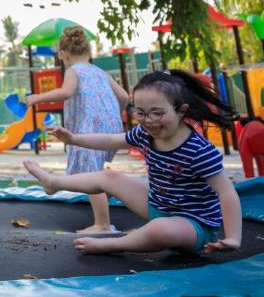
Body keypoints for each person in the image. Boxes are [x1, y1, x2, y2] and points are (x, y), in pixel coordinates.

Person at [24, 70, 242, 255]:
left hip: (193, 226)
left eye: (157, 113)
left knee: (160, 229)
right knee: (109, 176)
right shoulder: (145, 133)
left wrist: (232, 237)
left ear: (181, 110)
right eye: (141, 113)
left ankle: (112, 244)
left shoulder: (198, 150)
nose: (149, 120)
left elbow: (226, 191)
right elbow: (111, 140)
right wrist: (74, 139)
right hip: (157, 206)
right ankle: (54, 183)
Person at [23, 26, 129, 234]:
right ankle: (104, 205)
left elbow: (66, 92)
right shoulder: (100, 72)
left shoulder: (73, 71)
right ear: (89, 52)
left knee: (91, 171)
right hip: (113, 128)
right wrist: (114, 116)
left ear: (63, 54)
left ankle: (103, 224)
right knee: (96, 169)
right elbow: (124, 97)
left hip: (90, 128)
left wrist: (37, 97)